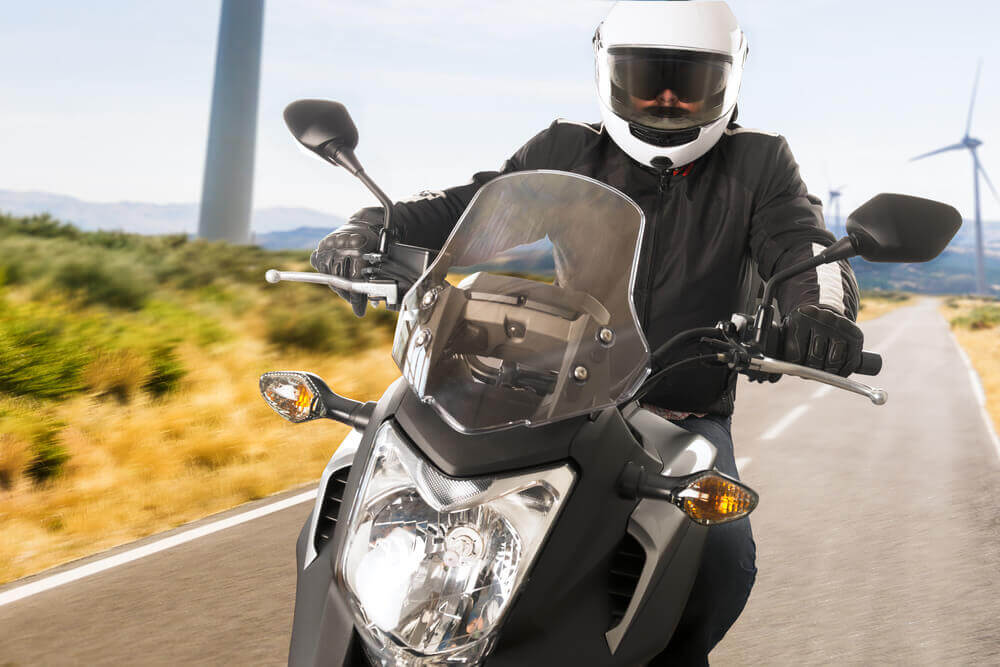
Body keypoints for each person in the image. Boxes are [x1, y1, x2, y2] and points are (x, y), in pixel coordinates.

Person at [312, 1, 862, 663]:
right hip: (547, 396)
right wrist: (373, 224)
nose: (663, 96)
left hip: (672, 411)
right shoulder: (567, 149)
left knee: (718, 550)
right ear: (607, 72)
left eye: (686, 81)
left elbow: (804, 249)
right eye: (644, 77)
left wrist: (821, 313)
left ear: (729, 79)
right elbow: (470, 211)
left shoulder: (759, 163)